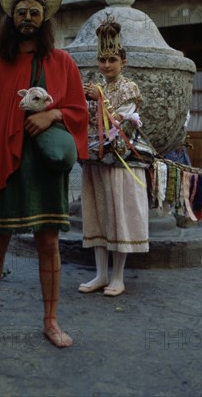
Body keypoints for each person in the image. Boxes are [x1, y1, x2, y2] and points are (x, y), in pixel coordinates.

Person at [0, 0, 89, 348]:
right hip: (2, 168)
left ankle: (51, 320)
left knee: (47, 243)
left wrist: (53, 113)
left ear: (45, 17)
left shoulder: (63, 63)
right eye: (22, 14)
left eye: (35, 13)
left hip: (45, 170)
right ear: (11, 19)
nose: (28, 19)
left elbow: (80, 111)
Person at [79, 17, 149, 296]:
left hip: (121, 160)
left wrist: (99, 100)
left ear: (123, 62)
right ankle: (100, 274)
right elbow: (86, 121)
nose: (106, 65)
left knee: (119, 213)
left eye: (111, 60)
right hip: (96, 158)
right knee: (97, 213)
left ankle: (118, 276)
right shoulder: (95, 88)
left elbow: (120, 122)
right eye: (102, 60)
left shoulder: (129, 88)